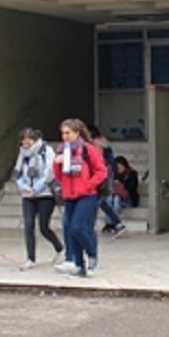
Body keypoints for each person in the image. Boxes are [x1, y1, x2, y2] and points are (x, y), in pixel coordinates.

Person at [52, 118, 107, 277]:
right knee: (70, 229)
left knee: (78, 226)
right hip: (69, 195)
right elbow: (59, 176)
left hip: (87, 195)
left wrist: (89, 185)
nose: (65, 136)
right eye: (63, 133)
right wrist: (57, 163)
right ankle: (79, 265)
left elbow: (101, 171)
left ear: (77, 133)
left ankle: (91, 254)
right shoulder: (62, 151)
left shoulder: (88, 150)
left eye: (68, 133)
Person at [13, 127, 64, 271]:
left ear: (35, 140)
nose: (26, 145)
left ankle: (59, 248)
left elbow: (50, 172)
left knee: (43, 227)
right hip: (27, 195)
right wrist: (24, 187)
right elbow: (18, 172)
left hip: (45, 194)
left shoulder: (46, 151)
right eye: (23, 143)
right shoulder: (22, 154)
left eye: (28, 142)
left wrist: (36, 189)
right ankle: (30, 258)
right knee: (28, 226)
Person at [91, 125, 126, 237]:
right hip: (106, 176)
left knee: (98, 202)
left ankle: (116, 223)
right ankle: (117, 223)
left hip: (100, 177)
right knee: (101, 202)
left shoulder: (96, 144)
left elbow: (97, 162)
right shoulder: (104, 144)